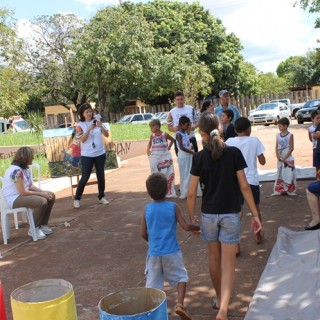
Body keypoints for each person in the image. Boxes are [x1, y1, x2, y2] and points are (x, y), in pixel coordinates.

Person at [187, 112, 262, 320]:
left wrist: (192, 219)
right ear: (220, 128)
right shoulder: (234, 153)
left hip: (209, 215)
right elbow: (244, 186)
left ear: (202, 134)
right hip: (231, 214)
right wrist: (255, 214)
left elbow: (191, 192)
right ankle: (223, 309)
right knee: (229, 262)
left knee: (213, 257)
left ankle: (219, 298)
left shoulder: (199, 157)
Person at [140, 173, 200, 320]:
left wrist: (151, 242)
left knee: (153, 285)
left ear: (149, 192)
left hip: (154, 253)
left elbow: (142, 233)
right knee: (181, 278)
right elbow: (185, 226)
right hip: (172, 251)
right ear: (167, 188)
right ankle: (179, 304)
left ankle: (153, 313)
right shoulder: (173, 207)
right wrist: (196, 226)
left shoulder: (147, 209)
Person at [225, 117, 266, 245]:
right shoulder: (254, 141)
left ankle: (235, 241)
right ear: (249, 129)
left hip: (235, 181)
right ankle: (258, 235)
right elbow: (262, 161)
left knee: (237, 211)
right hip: (251, 180)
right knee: (255, 208)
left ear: (236, 130)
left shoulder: (229, 141)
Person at [1, 147, 55, 240]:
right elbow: (22, 192)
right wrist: (42, 195)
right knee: (41, 201)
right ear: (26, 158)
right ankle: (33, 229)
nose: (33, 158)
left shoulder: (24, 169)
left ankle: (43, 226)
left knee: (51, 195)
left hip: (21, 195)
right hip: (12, 199)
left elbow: (30, 186)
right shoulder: (15, 171)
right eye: (31, 157)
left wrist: (44, 192)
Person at [73, 103, 110, 208]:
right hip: (87, 155)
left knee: (101, 176)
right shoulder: (80, 126)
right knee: (85, 177)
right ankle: (77, 198)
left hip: (100, 153)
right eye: (87, 112)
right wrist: (89, 129)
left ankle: (101, 197)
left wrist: (101, 126)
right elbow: (82, 140)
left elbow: (106, 134)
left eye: (90, 111)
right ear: (83, 114)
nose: (89, 113)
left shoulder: (97, 121)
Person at [147, 118, 176, 198]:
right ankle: (157, 191)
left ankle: (169, 191)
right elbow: (149, 144)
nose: (151, 129)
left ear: (156, 126)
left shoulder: (165, 134)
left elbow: (173, 140)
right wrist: (148, 150)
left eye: (151, 127)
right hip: (156, 156)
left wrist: (169, 147)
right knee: (156, 173)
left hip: (165, 156)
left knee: (168, 172)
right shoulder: (152, 136)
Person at [176, 116, 201, 200]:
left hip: (188, 155)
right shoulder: (178, 134)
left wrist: (191, 148)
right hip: (183, 156)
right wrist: (192, 152)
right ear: (181, 124)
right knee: (185, 174)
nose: (188, 127)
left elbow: (187, 144)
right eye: (187, 125)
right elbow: (181, 147)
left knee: (190, 173)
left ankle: (193, 191)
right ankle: (185, 192)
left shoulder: (186, 133)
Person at [272, 117, 296, 195]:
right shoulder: (277, 135)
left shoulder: (290, 135)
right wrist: (277, 155)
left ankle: (289, 189)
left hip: (287, 157)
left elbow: (291, 147)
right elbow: (276, 146)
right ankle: (280, 189)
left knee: (289, 172)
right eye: (278, 126)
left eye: (280, 126)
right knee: (280, 172)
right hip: (280, 156)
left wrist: (285, 157)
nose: (279, 128)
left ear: (286, 126)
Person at [308, 110, 320, 179]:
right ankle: (318, 178)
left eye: (319, 118)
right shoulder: (310, 128)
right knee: (317, 165)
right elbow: (310, 138)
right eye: (317, 118)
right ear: (312, 119)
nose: (319, 120)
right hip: (315, 148)